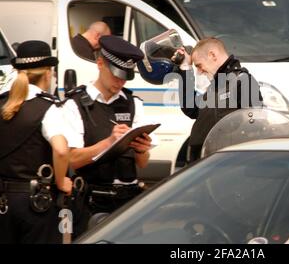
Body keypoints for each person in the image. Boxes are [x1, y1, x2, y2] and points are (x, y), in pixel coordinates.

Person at [63, 35, 153, 235]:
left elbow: (143, 163)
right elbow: (70, 160)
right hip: (92, 201)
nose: (120, 81)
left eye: (125, 76)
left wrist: (142, 150)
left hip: (129, 201)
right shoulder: (75, 104)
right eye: (116, 74)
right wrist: (109, 142)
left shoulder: (133, 103)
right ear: (100, 63)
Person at [0, 40, 72, 244]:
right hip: (36, 205)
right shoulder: (49, 107)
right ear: (48, 72)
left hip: (4, 203)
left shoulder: (2, 103)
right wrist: (61, 182)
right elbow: (60, 150)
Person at [174, 37, 263, 162]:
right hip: (204, 163)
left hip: (227, 165)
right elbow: (191, 109)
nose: (199, 72)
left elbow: (254, 129)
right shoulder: (216, 86)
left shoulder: (243, 81)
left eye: (199, 65)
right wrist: (185, 70)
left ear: (212, 55)